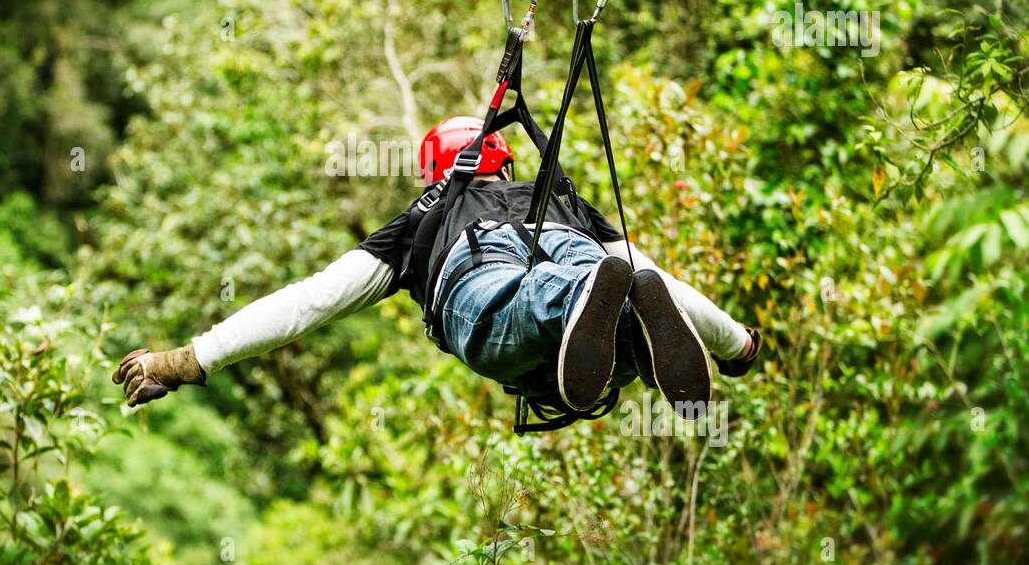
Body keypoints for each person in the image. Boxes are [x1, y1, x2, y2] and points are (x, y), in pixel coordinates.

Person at [114, 116, 761, 420]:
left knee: (528, 297)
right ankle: (612, 314)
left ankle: (588, 301)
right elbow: (660, 279)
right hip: (571, 245)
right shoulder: (560, 198)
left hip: (480, 274)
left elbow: (309, 301)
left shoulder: (423, 217)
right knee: (618, 279)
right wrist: (737, 346)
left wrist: (187, 359)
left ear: (435, 172)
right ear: (505, 162)